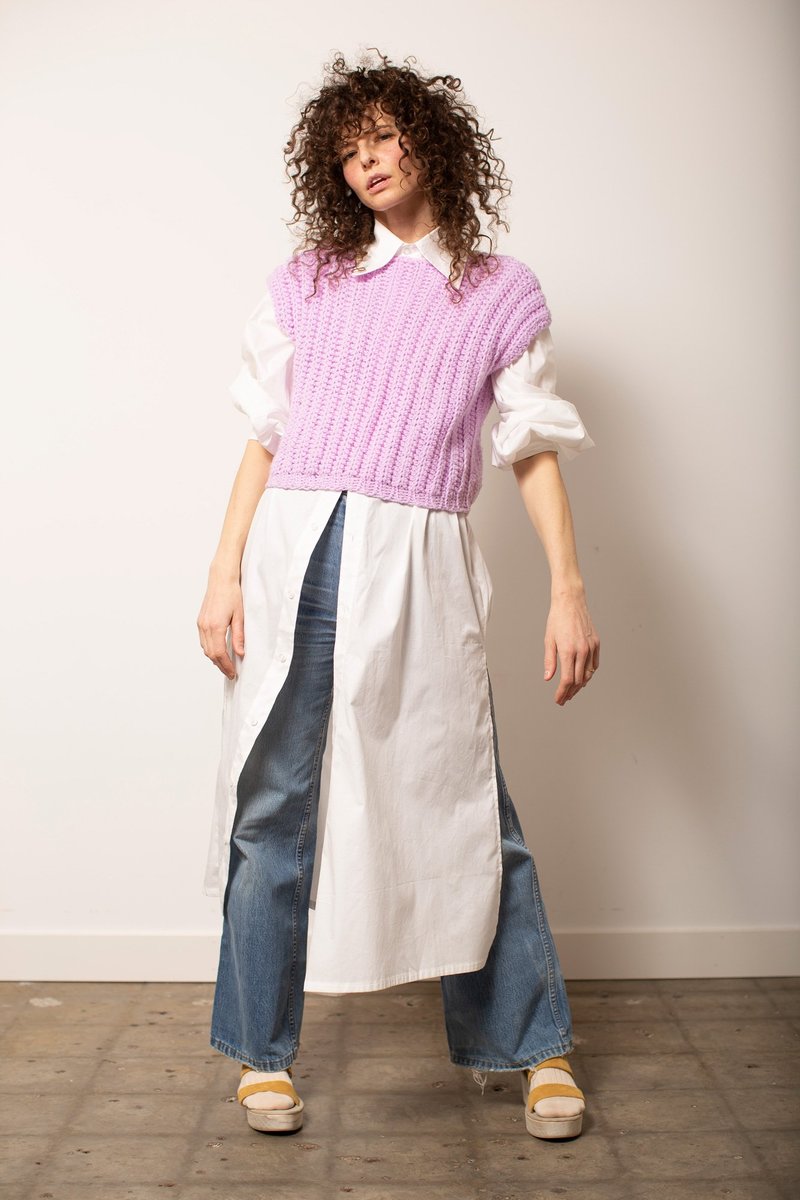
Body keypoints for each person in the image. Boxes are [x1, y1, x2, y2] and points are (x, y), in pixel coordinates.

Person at [197, 49, 599, 1141]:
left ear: (430, 139)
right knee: (272, 803)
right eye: (346, 151)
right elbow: (265, 435)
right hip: (298, 549)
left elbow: (530, 447)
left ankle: (533, 1047)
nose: (365, 162)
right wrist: (224, 572)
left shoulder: (499, 290)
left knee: (463, 798)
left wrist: (567, 589)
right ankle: (259, 1055)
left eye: (380, 136)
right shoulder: (309, 281)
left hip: (418, 561)